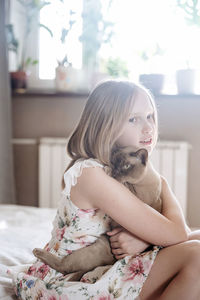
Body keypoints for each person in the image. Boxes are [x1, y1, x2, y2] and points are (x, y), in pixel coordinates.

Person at [12, 80, 200, 300]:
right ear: (105, 125)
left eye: (150, 116)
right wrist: (151, 235)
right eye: (133, 119)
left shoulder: (130, 165)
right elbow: (176, 233)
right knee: (196, 254)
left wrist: (145, 240)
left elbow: (181, 234)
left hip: (105, 268)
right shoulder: (92, 174)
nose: (148, 127)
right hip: (72, 280)